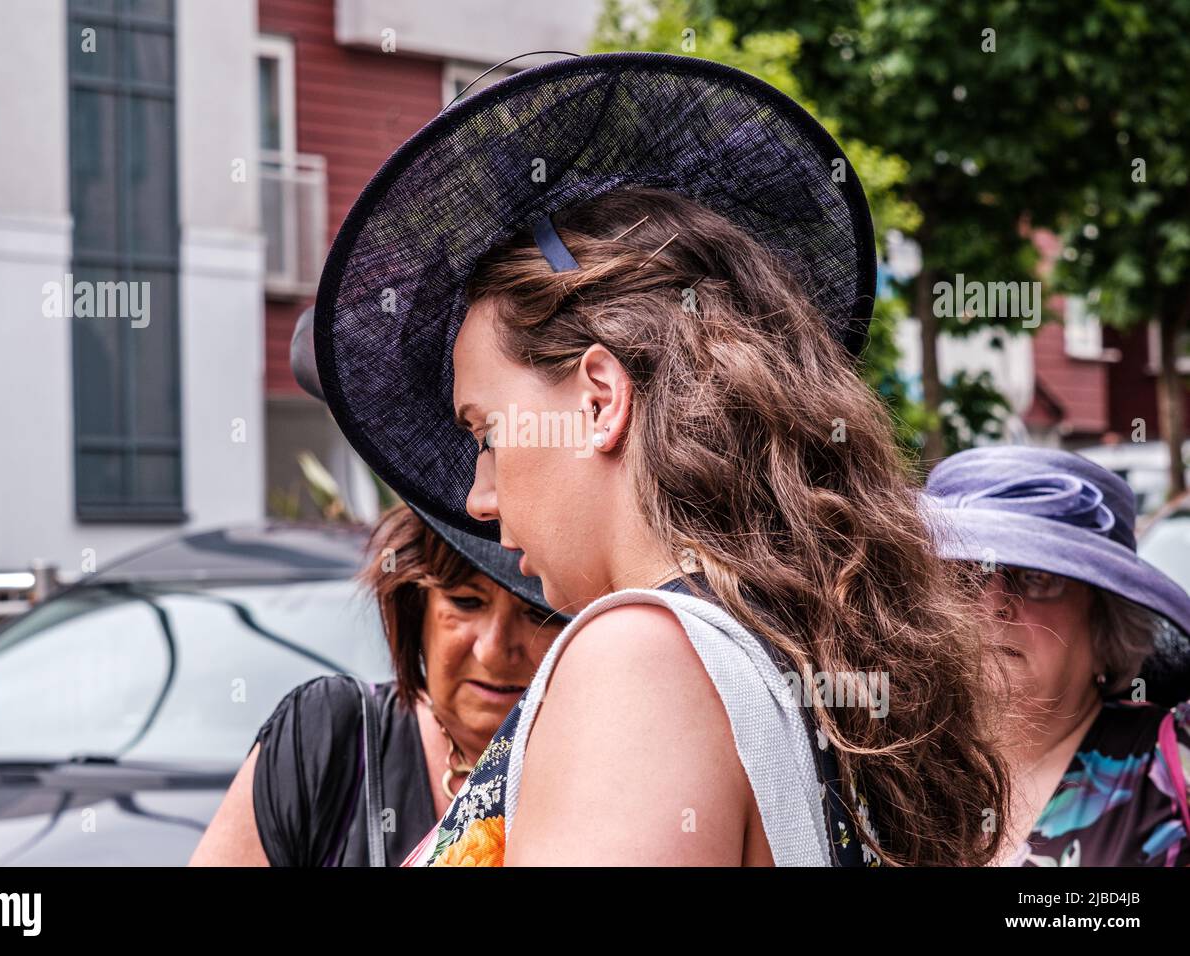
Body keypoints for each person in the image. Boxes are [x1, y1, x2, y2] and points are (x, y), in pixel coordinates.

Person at [310, 52, 1011, 866]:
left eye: (485, 435)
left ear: (600, 399)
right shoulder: (783, 651)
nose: (479, 496)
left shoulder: (641, 661)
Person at [190, 383, 568, 866]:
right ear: (416, 607)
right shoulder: (328, 738)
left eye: (538, 614)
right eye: (465, 602)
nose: (494, 650)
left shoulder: (614, 778)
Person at [924, 446, 1190, 867]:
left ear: (1106, 625)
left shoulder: (1175, 759)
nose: (994, 603)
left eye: (1036, 577)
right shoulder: (894, 761)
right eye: (965, 574)